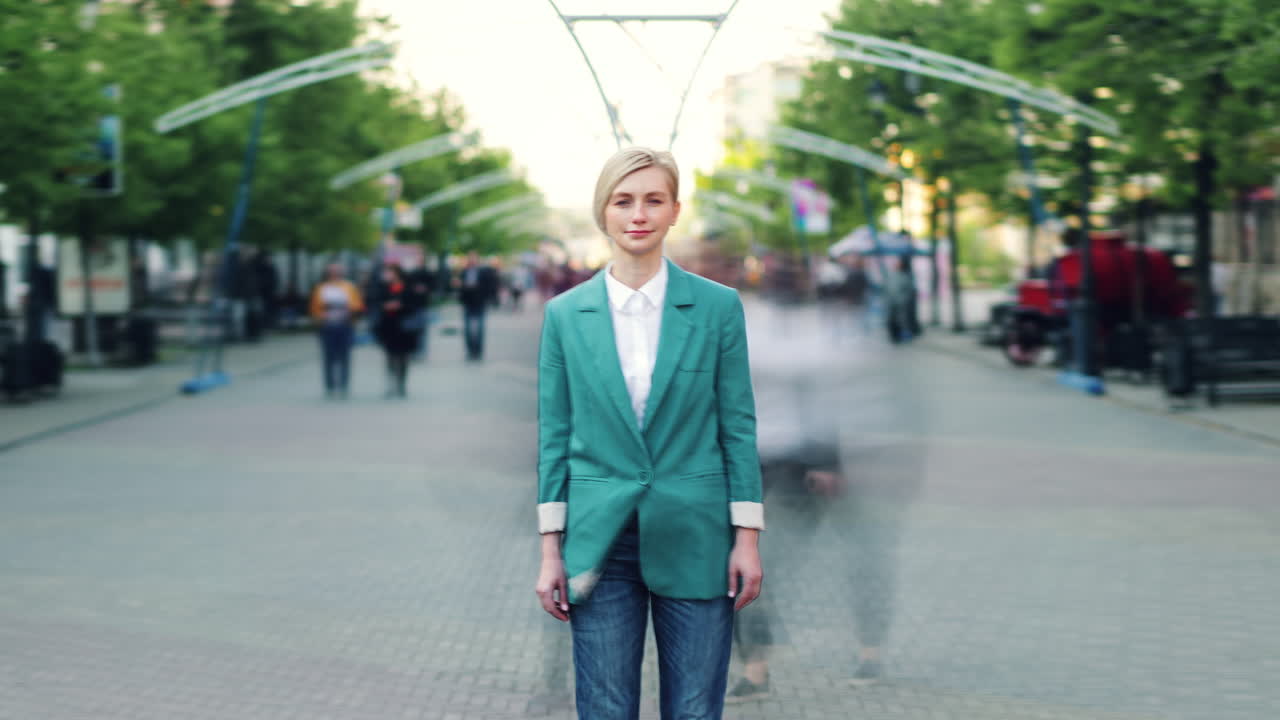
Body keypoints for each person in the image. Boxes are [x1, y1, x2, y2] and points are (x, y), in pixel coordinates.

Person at [534, 147, 764, 720]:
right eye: (624, 201)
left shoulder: (718, 308)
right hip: (600, 540)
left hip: (697, 532)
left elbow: (737, 426)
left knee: (693, 708)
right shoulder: (566, 315)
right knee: (606, 707)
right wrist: (549, 551)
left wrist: (748, 537)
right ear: (603, 213)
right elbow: (554, 437)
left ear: (674, 211)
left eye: (653, 200)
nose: (638, 213)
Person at [309, 262, 364, 398]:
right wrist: (320, 316)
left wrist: (349, 311)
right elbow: (314, 308)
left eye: (337, 271)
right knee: (328, 356)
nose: (335, 274)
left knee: (344, 356)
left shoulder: (349, 287)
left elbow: (358, 306)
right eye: (332, 271)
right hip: (327, 325)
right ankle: (330, 385)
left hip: (345, 325)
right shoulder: (321, 288)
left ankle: (344, 384)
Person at [373, 263, 424, 398]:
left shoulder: (407, 287)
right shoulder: (383, 288)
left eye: (389, 272)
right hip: (388, 327)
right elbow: (376, 302)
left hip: (404, 328)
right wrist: (385, 306)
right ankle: (391, 383)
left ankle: (401, 383)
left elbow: (414, 304)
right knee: (390, 356)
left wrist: (400, 306)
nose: (387, 275)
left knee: (403, 357)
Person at [455, 251, 498, 360]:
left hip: (480, 302)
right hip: (468, 303)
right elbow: (459, 287)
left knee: (479, 329)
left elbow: (490, 285)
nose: (472, 260)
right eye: (470, 258)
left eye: (474, 258)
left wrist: (488, 297)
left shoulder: (484, 271)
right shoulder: (464, 272)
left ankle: (478, 351)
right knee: (468, 329)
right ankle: (470, 351)